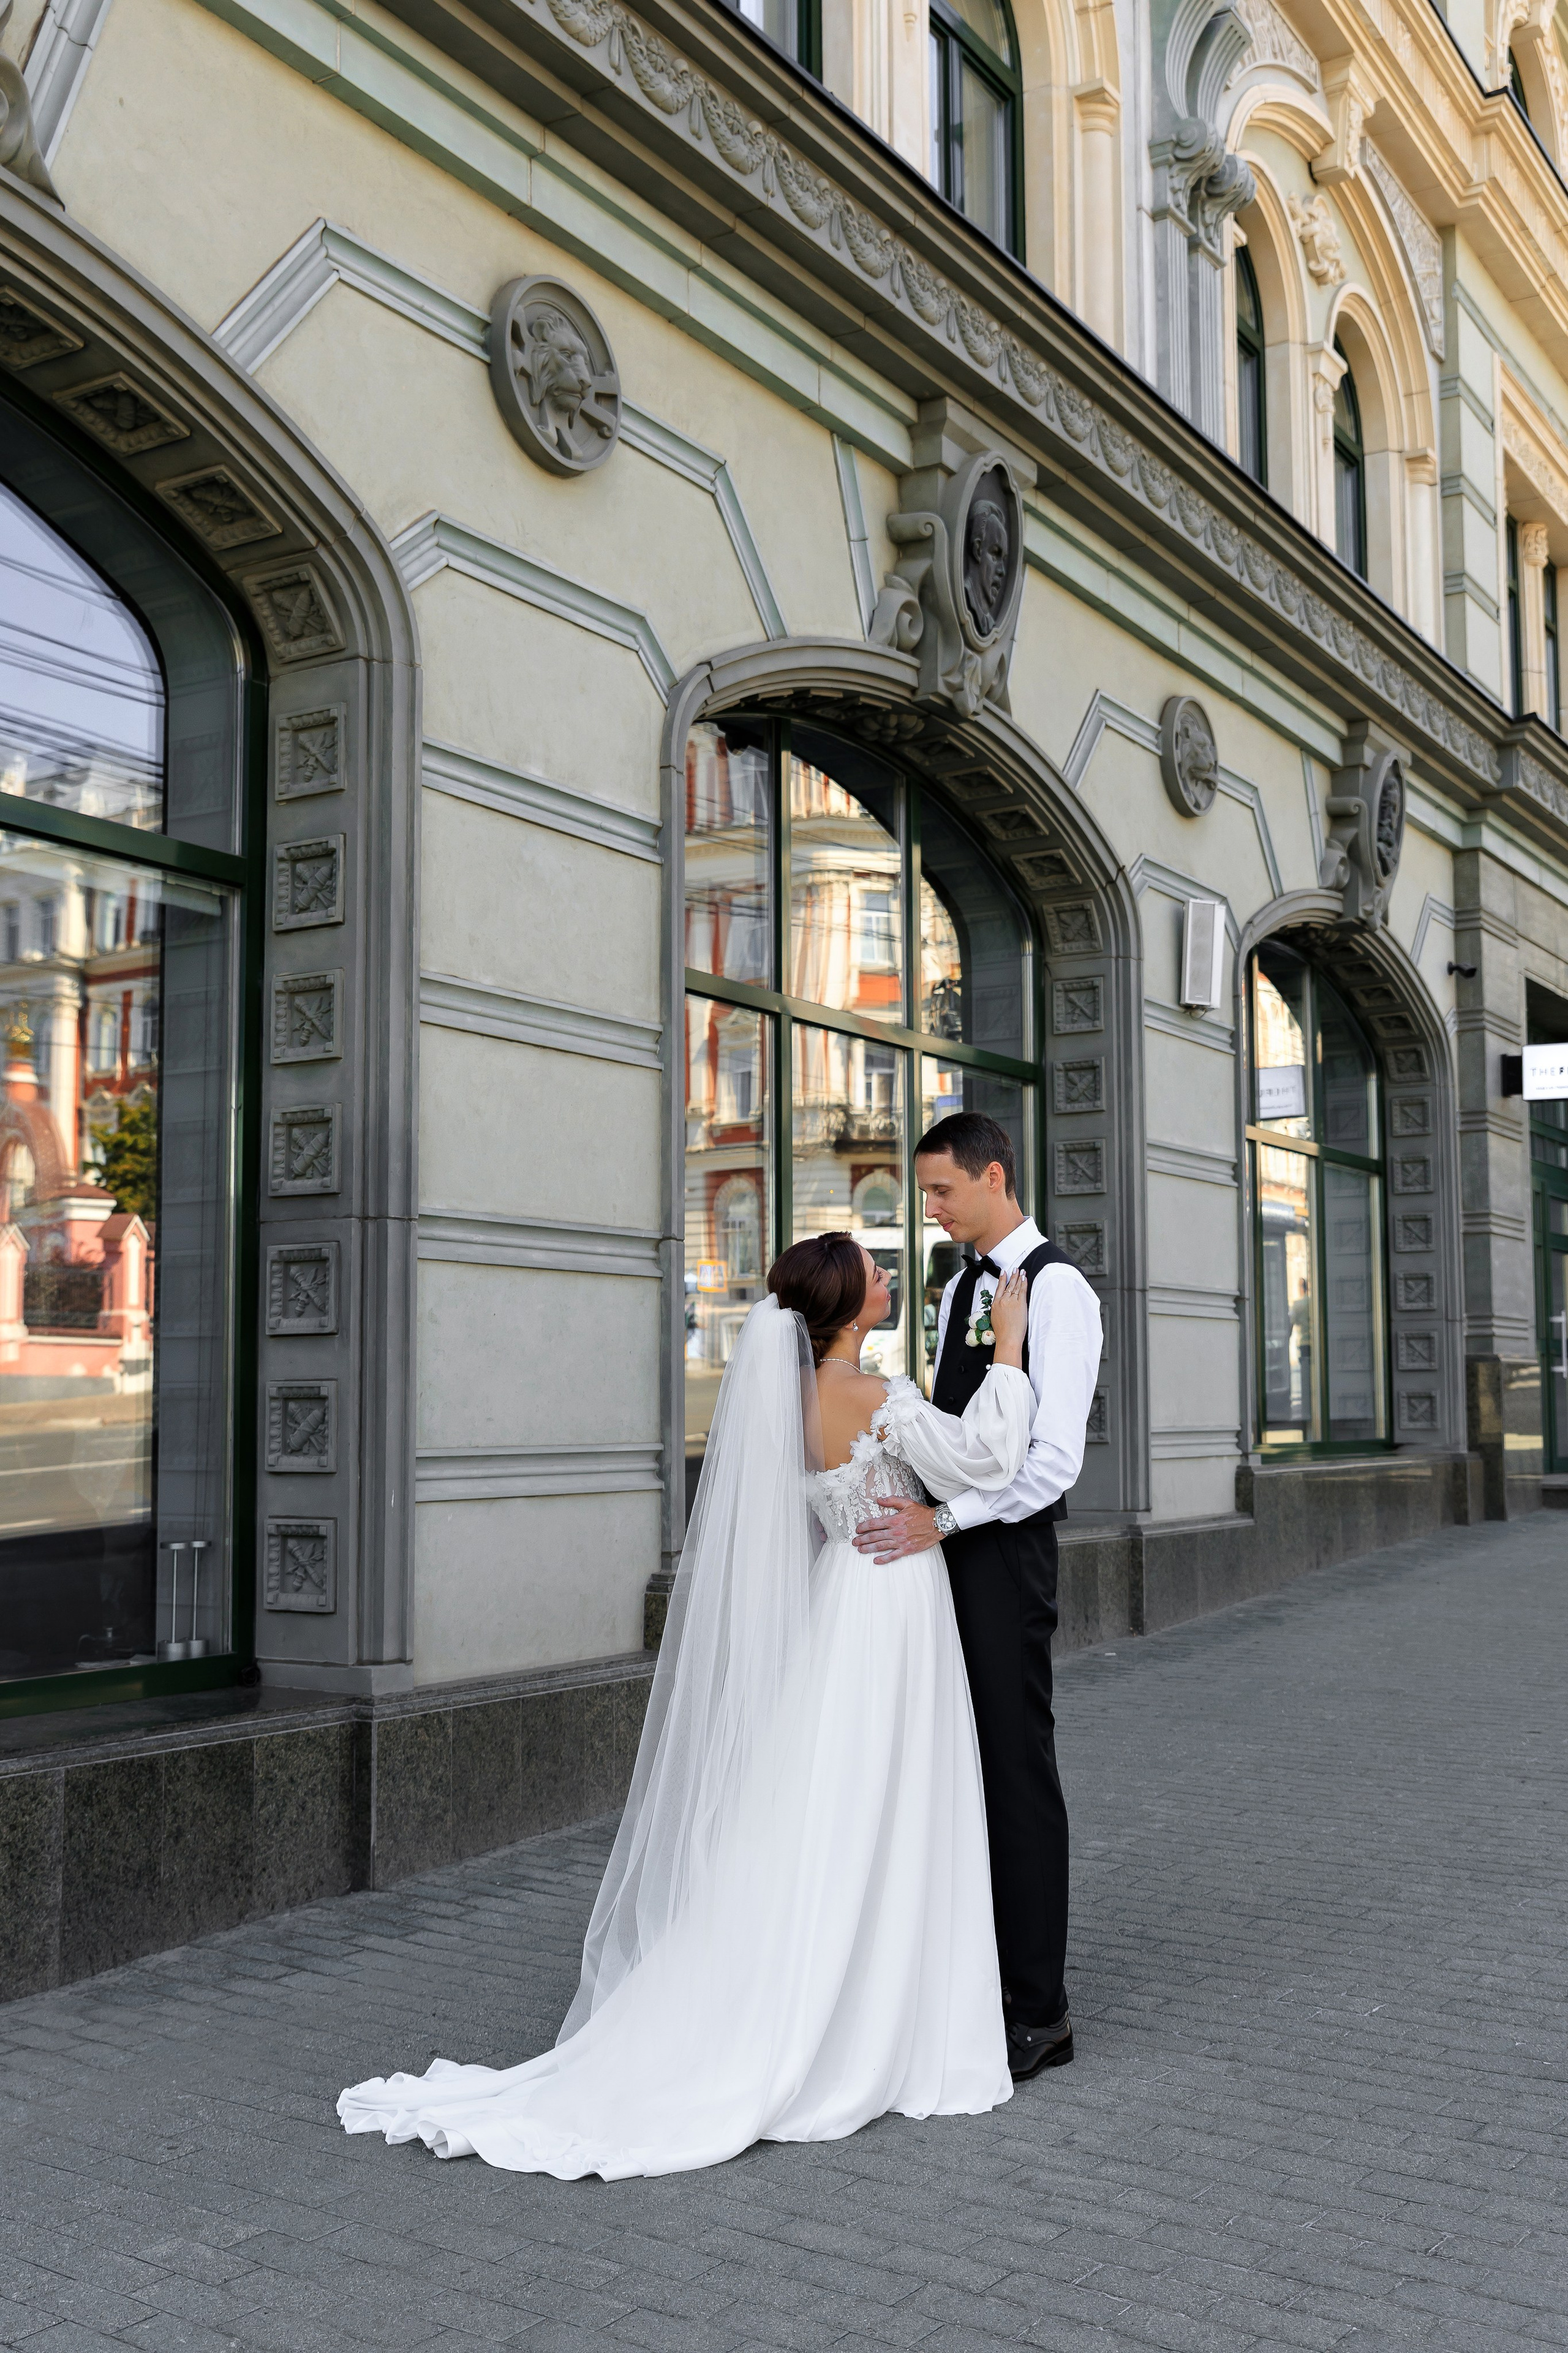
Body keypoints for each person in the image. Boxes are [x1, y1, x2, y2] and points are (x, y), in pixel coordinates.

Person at [337, 1235, 1033, 2179]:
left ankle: (830, 1983)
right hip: (893, 1608)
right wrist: (1009, 1351)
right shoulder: (879, 1399)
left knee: (831, 1805)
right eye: (874, 1274)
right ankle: (885, 2009)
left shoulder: (786, 1404)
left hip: (844, 1602)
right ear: (844, 1305)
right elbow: (989, 1455)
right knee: (892, 1799)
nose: (888, 1279)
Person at [854, 1111, 1102, 2079]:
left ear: (995, 1176)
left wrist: (946, 1523)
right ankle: (972, 1977)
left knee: (1014, 1770)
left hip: (1003, 1564)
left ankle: (1041, 2011)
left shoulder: (1060, 1291)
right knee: (951, 1765)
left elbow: (1052, 1463)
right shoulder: (961, 1282)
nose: (932, 1208)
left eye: (943, 1190)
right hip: (942, 1553)